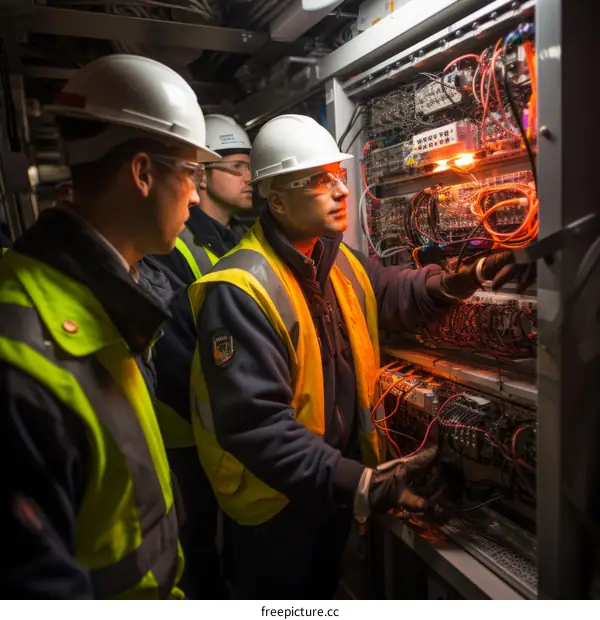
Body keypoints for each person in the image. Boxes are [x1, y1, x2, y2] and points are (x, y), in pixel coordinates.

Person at [187, 114, 534, 599]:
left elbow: (396, 294)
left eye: (338, 175)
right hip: (276, 506)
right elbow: (256, 427)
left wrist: (468, 274)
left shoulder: (337, 259)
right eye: (318, 180)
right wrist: (363, 483)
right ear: (278, 198)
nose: (340, 190)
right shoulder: (241, 288)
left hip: (333, 486)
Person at [0, 53, 219, 599]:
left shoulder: (107, 296)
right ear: (143, 173)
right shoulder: (22, 348)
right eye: (190, 174)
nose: (196, 195)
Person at [150, 114, 253, 599]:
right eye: (235, 167)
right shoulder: (173, 242)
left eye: (250, 167)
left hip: (229, 424)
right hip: (190, 432)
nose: (248, 177)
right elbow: (171, 353)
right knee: (199, 544)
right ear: (205, 175)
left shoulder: (236, 240)